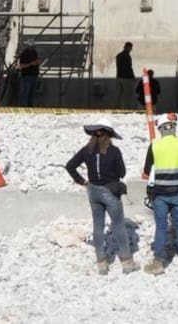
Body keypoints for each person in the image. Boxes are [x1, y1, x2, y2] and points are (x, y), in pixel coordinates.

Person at [65, 118, 137, 275]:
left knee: (98, 226)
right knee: (118, 226)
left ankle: (101, 263)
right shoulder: (114, 151)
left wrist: (82, 181)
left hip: (93, 191)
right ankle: (127, 262)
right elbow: (122, 173)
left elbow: (70, 166)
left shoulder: (86, 150)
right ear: (109, 134)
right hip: (110, 191)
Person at [140, 112, 178, 274]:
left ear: (160, 128)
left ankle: (158, 263)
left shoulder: (155, 145)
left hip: (160, 195)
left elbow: (146, 171)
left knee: (161, 227)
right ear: (173, 128)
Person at [17, 41, 40, 106]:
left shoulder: (34, 53)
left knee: (32, 94)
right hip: (27, 76)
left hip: (34, 75)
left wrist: (37, 63)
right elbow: (21, 66)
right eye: (32, 47)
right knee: (25, 93)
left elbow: (36, 61)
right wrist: (30, 64)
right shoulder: (24, 54)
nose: (33, 48)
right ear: (29, 46)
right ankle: (24, 106)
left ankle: (30, 106)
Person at [114, 42, 136, 109]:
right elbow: (128, 67)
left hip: (119, 77)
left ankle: (117, 107)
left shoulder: (118, 55)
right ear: (128, 47)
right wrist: (133, 77)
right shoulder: (127, 56)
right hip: (127, 78)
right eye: (131, 48)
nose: (131, 49)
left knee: (119, 94)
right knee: (128, 95)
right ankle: (127, 108)